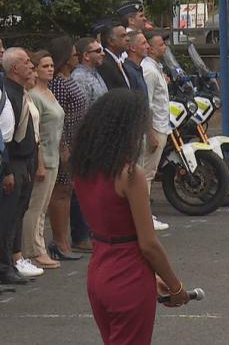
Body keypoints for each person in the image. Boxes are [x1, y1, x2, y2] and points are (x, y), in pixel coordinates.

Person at [72, 89, 189, 345]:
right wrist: (176, 286)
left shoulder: (82, 166)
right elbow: (148, 243)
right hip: (128, 274)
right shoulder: (129, 174)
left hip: (100, 270)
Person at [22, 51, 64, 271]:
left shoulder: (49, 92)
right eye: (45, 65)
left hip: (54, 155)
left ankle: (39, 249)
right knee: (35, 207)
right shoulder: (34, 95)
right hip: (43, 157)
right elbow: (34, 132)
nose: (50, 69)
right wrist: (38, 163)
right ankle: (33, 250)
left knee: (43, 206)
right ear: (36, 69)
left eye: (52, 65)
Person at [47, 38, 88, 259]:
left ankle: (65, 241)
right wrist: (63, 147)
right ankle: (60, 241)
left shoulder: (69, 79)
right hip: (65, 142)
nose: (77, 57)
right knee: (61, 192)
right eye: (73, 55)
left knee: (68, 191)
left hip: (76, 140)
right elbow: (59, 116)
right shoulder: (58, 84)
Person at [0, 47, 36, 284]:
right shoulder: (9, 94)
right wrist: (8, 170)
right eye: (26, 62)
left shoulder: (21, 92)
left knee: (17, 214)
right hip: (13, 161)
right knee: (7, 217)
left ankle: (11, 262)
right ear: (14, 68)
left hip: (26, 161)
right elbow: (7, 136)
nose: (30, 65)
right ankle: (5, 267)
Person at [142, 31, 172, 232]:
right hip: (156, 128)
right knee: (146, 174)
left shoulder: (155, 68)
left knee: (148, 174)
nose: (165, 48)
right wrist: (151, 133)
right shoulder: (149, 71)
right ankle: (143, 217)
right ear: (151, 49)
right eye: (161, 44)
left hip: (162, 125)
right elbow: (148, 104)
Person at [71, 37, 108, 108]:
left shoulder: (95, 72)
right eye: (98, 51)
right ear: (86, 56)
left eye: (102, 50)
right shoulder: (79, 78)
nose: (103, 53)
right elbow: (82, 109)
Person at [97, 23, 130, 90]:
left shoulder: (118, 61)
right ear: (111, 41)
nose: (128, 39)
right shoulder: (105, 64)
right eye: (123, 36)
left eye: (127, 35)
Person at [123, 30, 149, 95]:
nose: (148, 46)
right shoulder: (129, 71)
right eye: (144, 43)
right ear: (132, 48)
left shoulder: (138, 69)